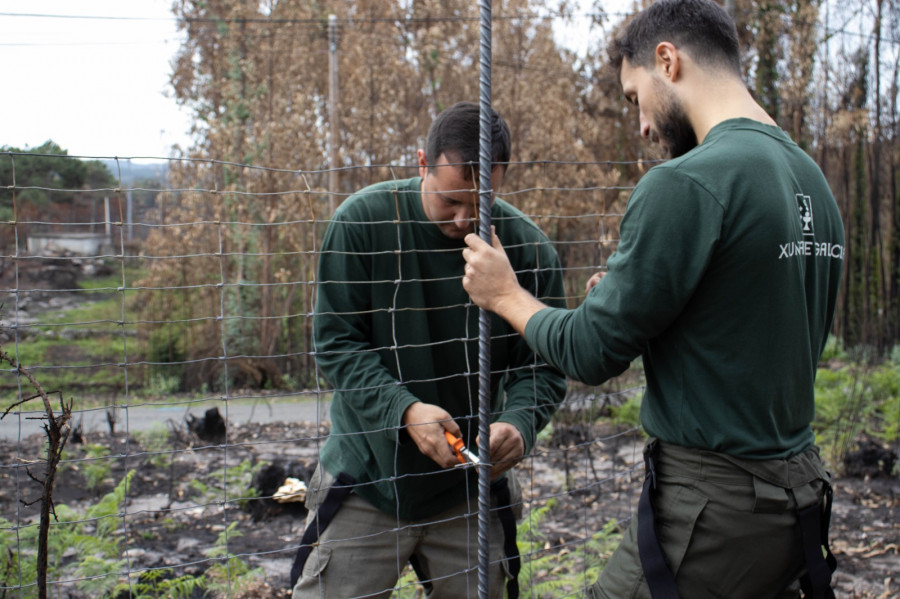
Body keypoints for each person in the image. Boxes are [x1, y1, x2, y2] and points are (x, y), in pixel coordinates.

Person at [461, 1, 845, 597]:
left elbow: (590, 354)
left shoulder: (687, 180)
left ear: (667, 61)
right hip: (795, 501)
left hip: (712, 509)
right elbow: (751, 328)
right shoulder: (810, 180)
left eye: (634, 97)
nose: (640, 125)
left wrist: (506, 294)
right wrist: (643, 310)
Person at [290, 101, 567, 598]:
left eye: (480, 205)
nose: (464, 220)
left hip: (470, 489)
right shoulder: (362, 223)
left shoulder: (526, 249)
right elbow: (336, 345)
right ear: (422, 163)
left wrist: (520, 422)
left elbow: (542, 366)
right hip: (368, 476)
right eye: (450, 201)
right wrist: (405, 411)